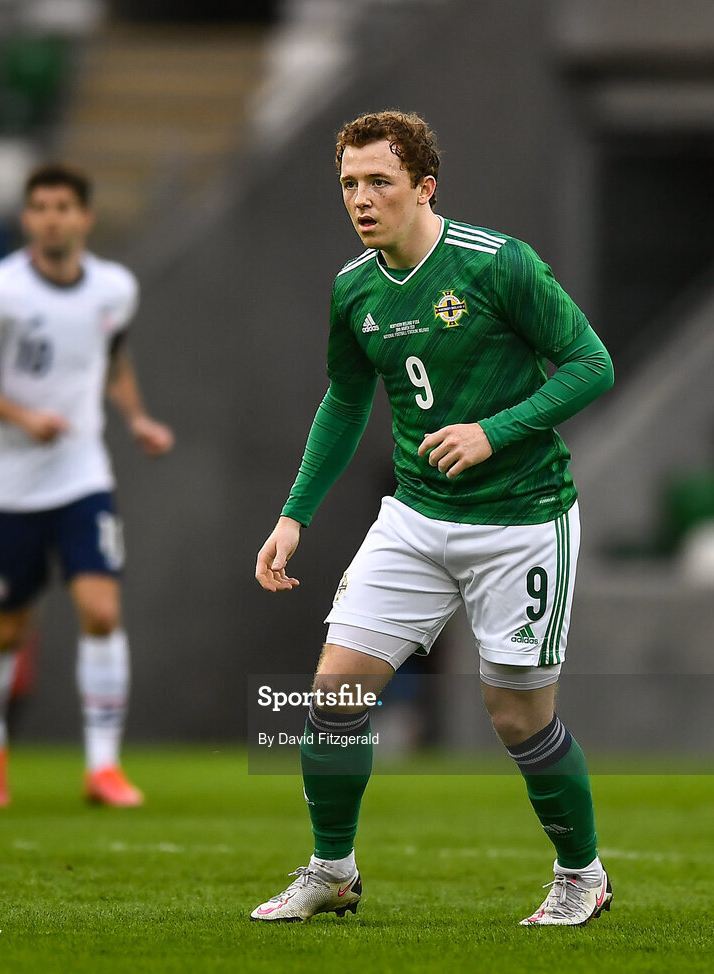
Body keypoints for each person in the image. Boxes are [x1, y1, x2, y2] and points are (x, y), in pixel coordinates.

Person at [251, 111, 614, 926]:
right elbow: (346, 400)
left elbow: (592, 364)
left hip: (521, 519)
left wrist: (495, 430)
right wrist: (295, 513)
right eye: (349, 183)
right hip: (415, 516)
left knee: (516, 713)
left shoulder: (497, 264)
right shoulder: (354, 288)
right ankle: (332, 870)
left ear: (424, 185)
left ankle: (582, 873)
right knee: (337, 689)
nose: (362, 198)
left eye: (379, 180)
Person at [0, 163, 174, 808]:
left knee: (101, 611)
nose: (51, 217)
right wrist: (21, 417)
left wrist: (137, 418)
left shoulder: (114, 288)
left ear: (84, 217)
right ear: (27, 218)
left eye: (63, 206)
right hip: (10, 486)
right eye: (40, 206)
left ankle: (103, 766)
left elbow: (112, 358)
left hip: (82, 476)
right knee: (7, 630)